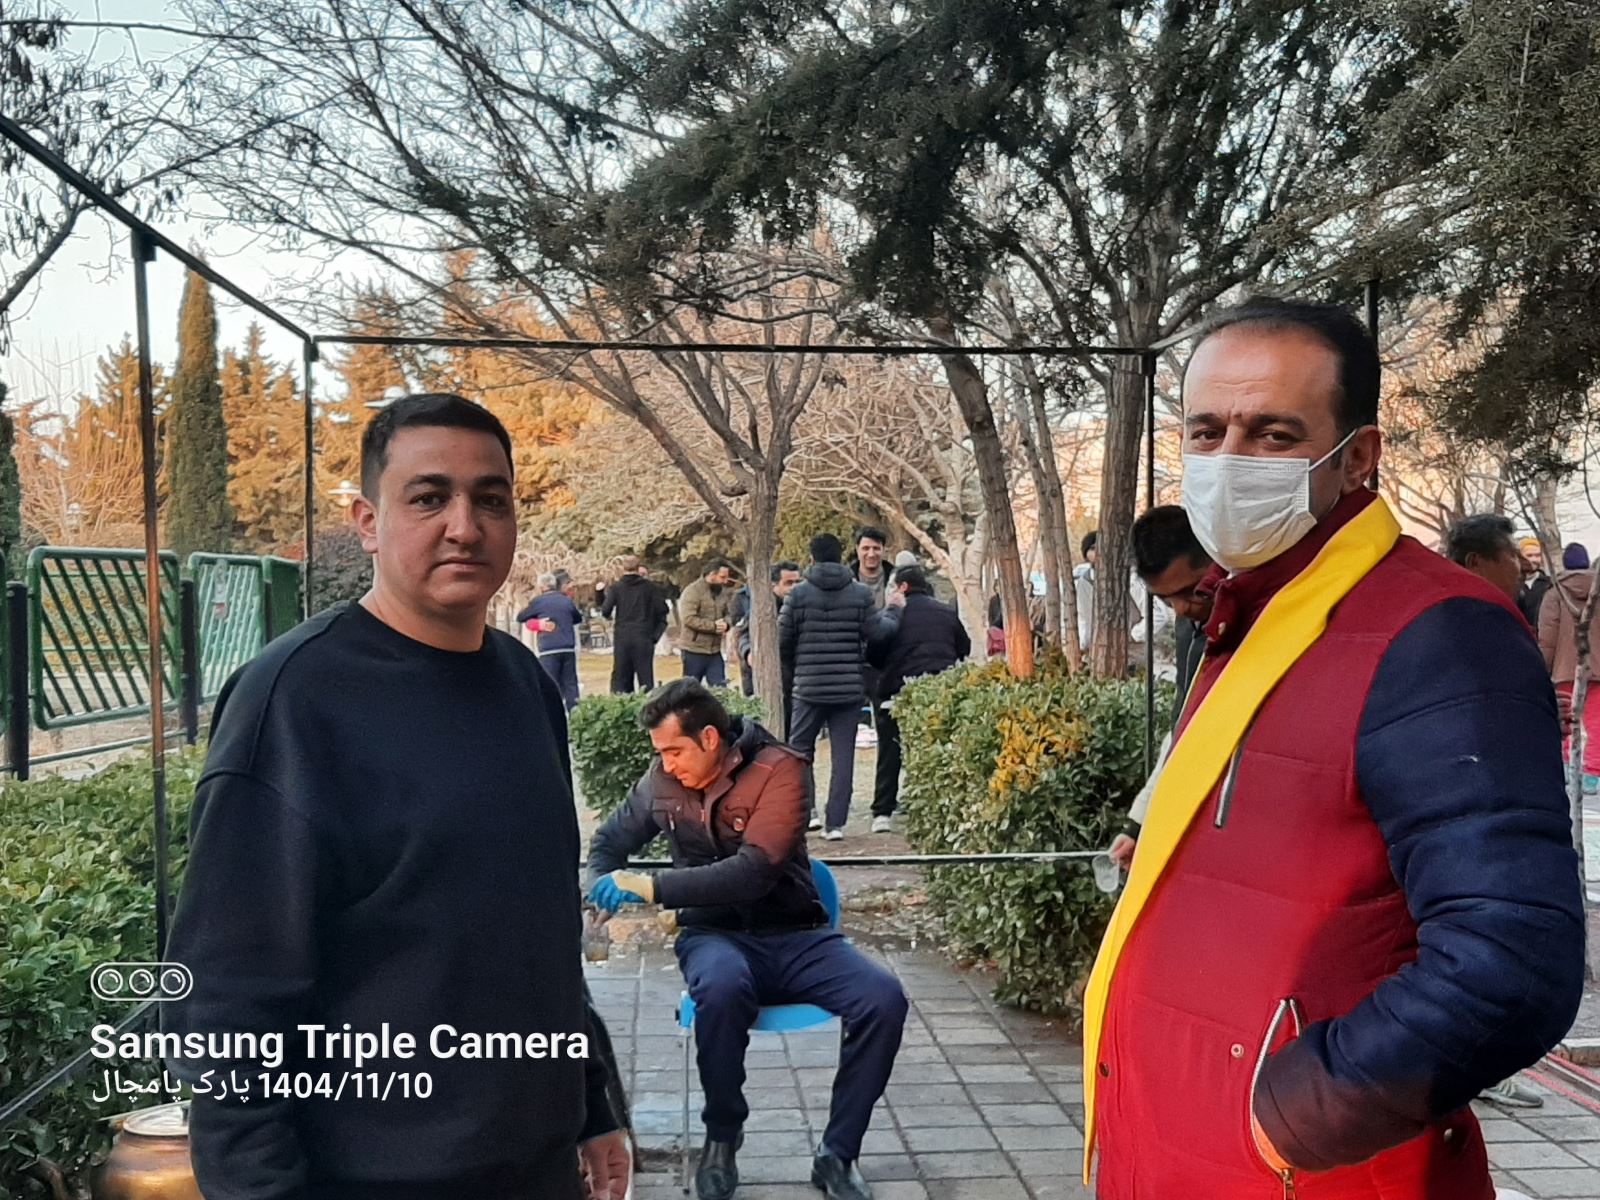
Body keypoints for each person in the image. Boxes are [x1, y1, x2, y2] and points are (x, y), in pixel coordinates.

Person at [1082, 300, 1585, 1200]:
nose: (1230, 459)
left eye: (1273, 434)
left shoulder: (1437, 633)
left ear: (1357, 456)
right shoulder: (1252, 610)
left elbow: (1512, 958)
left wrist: (1297, 1116)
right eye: (1207, 431)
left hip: (1301, 1172)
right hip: (1174, 1151)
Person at [162, 394, 629, 1200]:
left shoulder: (526, 686)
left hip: (537, 1168)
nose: (464, 526)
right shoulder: (294, 702)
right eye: (428, 497)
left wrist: (590, 1100)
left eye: (491, 500)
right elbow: (226, 997)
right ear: (368, 522)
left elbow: (540, 927)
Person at [587, 681, 906, 1200]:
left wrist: (651, 887)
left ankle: (838, 1153)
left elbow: (754, 871)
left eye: (674, 751)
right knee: (721, 986)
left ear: (709, 738)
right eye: (660, 753)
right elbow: (608, 842)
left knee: (883, 999)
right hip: (714, 936)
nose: (666, 764)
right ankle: (721, 1139)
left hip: (797, 935)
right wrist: (597, 888)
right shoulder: (661, 782)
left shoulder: (780, 769)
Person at [1442, 513, 1565, 1110]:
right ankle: (1474, 1065)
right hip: (1471, 803)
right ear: (1477, 563)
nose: (1521, 567)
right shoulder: (1462, 619)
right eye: (1510, 558)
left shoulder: (1479, 614)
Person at [1107, 506, 1215, 872]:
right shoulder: (1190, 629)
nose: (1182, 609)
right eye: (1166, 599)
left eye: (1192, 591)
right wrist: (1139, 822)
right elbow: (1183, 728)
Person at [782, 533, 876, 839]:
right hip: (848, 688)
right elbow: (876, 633)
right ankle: (836, 824)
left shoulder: (798, 595)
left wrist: (797, 668)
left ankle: (805, 812)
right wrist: (895, 612)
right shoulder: (860, 593)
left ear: (811, 558)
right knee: (843, 757)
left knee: (799, 752)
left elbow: (783, 639)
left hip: (808, 688)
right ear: (842, 556)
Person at [865, 565, 970, 831]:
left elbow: (874, 653)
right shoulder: (946, 612)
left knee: (890, 751)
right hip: (938, 691)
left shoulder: (891, 615)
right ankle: (936, 808)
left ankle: (882, 812)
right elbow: (964, 647)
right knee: (936, 748)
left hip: (895, 690)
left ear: (903, 587)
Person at [1539, 540, 1600, 796]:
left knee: (1567, 720)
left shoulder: (1555, 593)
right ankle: (1592, 775)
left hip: (1564, 668)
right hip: (1597, 669)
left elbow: (1548, 636)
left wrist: (1543, 667)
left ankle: (1566, 769)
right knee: (1597, 723)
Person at [737, 561, 803, 717]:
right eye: (788, 583)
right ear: (774, 585)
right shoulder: (763, 608)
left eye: (797, 582)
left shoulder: (802, 606)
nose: (793, 587)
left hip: (794, 678)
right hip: (766, 677)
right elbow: (744, 634)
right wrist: (748, 652)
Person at [518, 571, 584, 710]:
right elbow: (577, 618)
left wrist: (537, 622)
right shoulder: (566, 600)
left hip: (549, 649)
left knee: (551, 684)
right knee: (570, 684)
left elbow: (521, 617)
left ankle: (553, 713)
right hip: (568, 647)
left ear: (542, 587)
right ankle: (575, 713)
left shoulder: (538, 602)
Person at [603, 554, 668, 693]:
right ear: (638, 568)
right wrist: (655, 636)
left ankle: (622, 703)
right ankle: (647, 703)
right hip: (644, 636)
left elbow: (605, 610)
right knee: (645, 678)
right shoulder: (650, 588)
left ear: (622, 568)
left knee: (621, 677)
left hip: (623, 637)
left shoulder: (617, 588)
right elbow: (663, 610)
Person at [679, 559, 734, 685]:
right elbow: (688, 618)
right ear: (712, 574)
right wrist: (713, 626)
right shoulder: (692, 591)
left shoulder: (722, 593)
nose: (725, 581)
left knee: (720, 688)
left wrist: (726, 624)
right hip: (693, 650)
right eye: (722, 577)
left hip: (715, 651)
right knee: (690, 689)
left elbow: (728, 613)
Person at [1519, 536, 1554, 628]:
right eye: (1529, 555)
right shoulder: (1510, 584)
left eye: (1537, 555)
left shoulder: (1550, 584)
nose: (1534, 559)